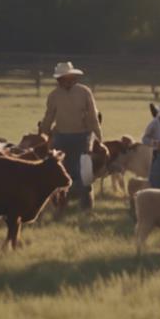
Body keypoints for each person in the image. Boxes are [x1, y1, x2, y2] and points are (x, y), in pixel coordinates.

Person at [39, 61, 103, 209]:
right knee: (61, 171)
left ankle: (86, 206)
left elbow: (93, 117)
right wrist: (43, 132)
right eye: (63, 78)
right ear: (59, 80)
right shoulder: (54, 96)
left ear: (74, 78)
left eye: (69, 78)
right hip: (61, 137)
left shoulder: (84, 92)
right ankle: (61, 204)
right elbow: (49, 116)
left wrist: (98, 138)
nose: (67, 81)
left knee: (84, 173)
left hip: (82, 136)